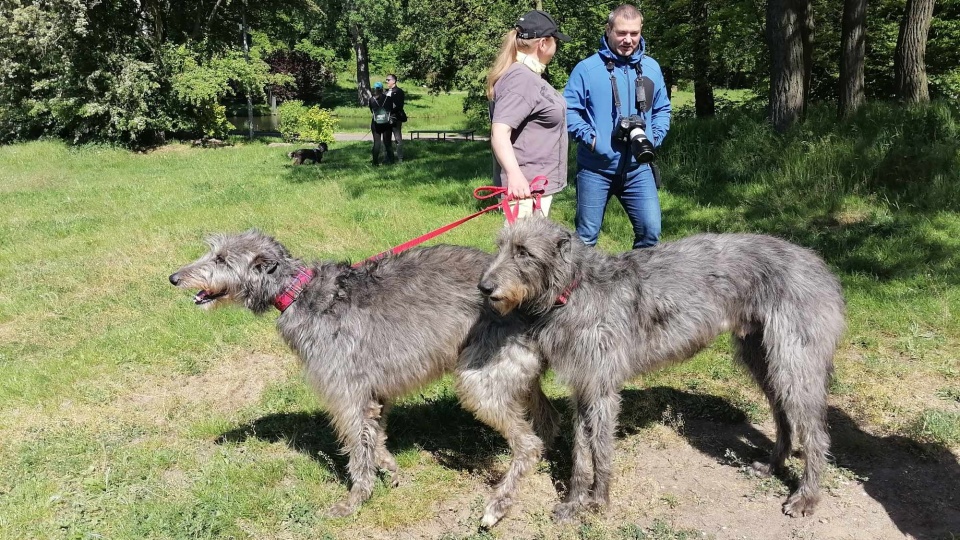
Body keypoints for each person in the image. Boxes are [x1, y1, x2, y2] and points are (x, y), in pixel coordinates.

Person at [563, 5, 671, 248]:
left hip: (639, 167)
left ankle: (640, 285)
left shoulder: (652, 67)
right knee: (586, 238)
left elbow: (663, 109)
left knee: (650, 233)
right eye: (622, 33)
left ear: (641, 32)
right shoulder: (587, 69)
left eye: (634, 33)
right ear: (609, 30)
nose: (628, 40)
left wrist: (653, 138)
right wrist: (592, 140)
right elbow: (569, 110)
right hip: (595, 169)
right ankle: (580, 286)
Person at [486, 9, 570, 218]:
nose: (556, 47)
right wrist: (515, 176)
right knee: (522, 251)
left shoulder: (527, 75)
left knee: (530, 249)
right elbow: (500, 131)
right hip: (525, 189)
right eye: (555, 41)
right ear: (543, 43)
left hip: (535, 187)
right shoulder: (521, 78)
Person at [368, 81, 395, 165]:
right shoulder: (388, 98)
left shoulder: (371, 99)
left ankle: (375, 162)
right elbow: (391, 109)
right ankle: (391, 161)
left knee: (377, 143)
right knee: (387, 143)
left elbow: (371, 110)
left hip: (375, 123)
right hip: (386, 123)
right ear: (382, 89)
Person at [385, 74, 407, 163]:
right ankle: (389, 158)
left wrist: (390, 111)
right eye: (386, 80)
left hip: (396, 118)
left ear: (393, 81)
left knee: (398, 138)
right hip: (386, 119)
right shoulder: (385, 92)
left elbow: (399, 106)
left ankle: (400, 158)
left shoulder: (399, 91)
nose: (386, 81)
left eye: (388, 80)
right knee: (387, 139)